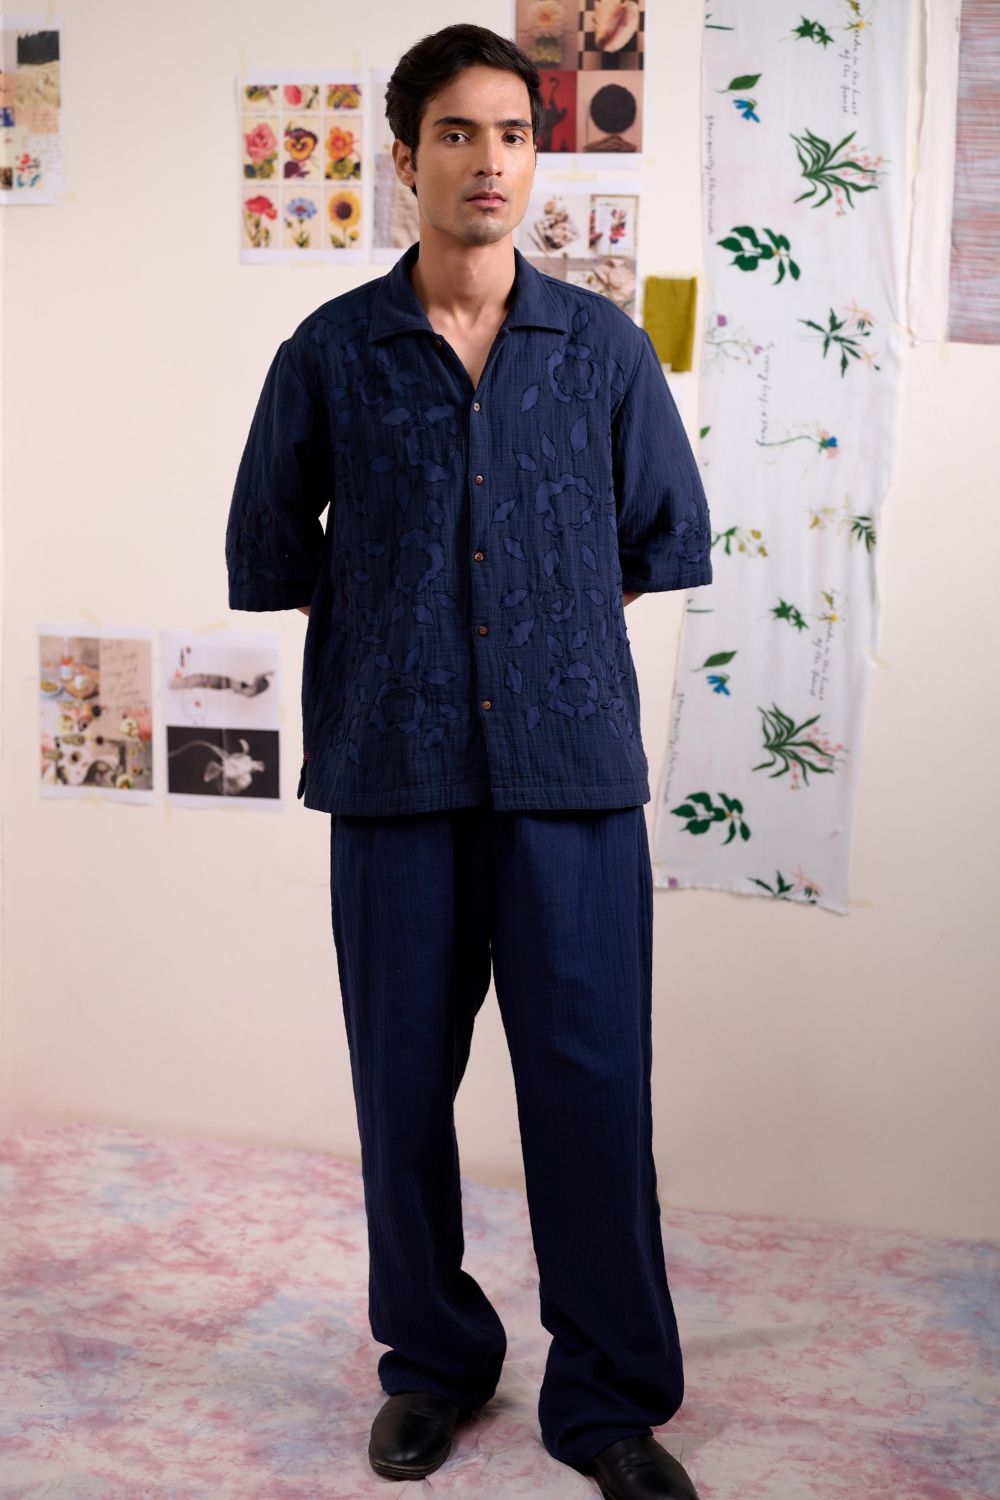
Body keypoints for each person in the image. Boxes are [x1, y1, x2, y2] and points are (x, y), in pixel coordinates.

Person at [226, 22, 712, 1499]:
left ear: (534, 159)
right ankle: (433, 1364)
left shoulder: (604, 351)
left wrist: (537, 622)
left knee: (592, 1095)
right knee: (400, 1092)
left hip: (573, 782)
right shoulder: (330, 354)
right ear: (405, 157)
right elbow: (268, 549)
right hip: (394, 776)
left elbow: (660, 536)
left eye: (512, 132)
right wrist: (410, 621)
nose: (488, 159)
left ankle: (610, 1400)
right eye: (456, 132)